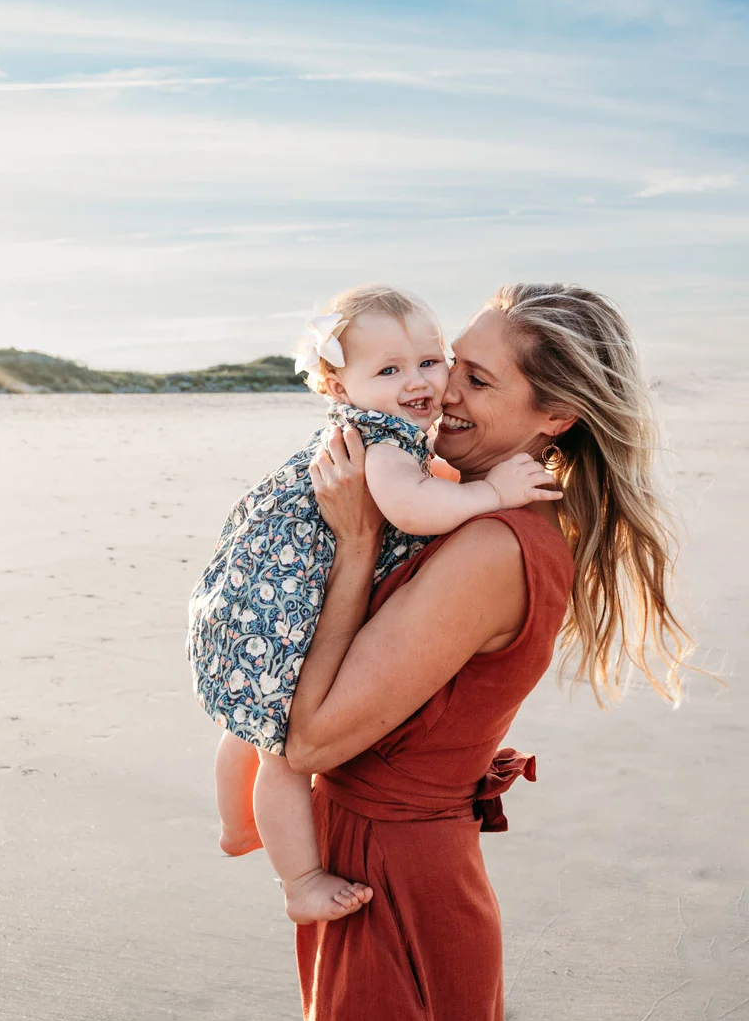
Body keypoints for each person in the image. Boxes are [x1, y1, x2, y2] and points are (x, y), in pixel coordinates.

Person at [284, 282, 698, 1021]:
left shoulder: (492, 546)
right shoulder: (477, 506)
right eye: (452, 367)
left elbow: (308, 744)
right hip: (391, 858)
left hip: (390, 873)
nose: (443, 393)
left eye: (479, 380)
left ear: (555, 418)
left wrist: (354, 546)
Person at [185, 284, 559, 926]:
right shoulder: (384, 442)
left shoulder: (383, 439)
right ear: (337, 384)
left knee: (251, 730)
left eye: (431, 362)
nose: (423, 384)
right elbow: (412, 506)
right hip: (288, 610)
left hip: (259, 606)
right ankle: (296, 879)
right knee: (276, 752)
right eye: (389, 370)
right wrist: (491, 491)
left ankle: (236, 827)